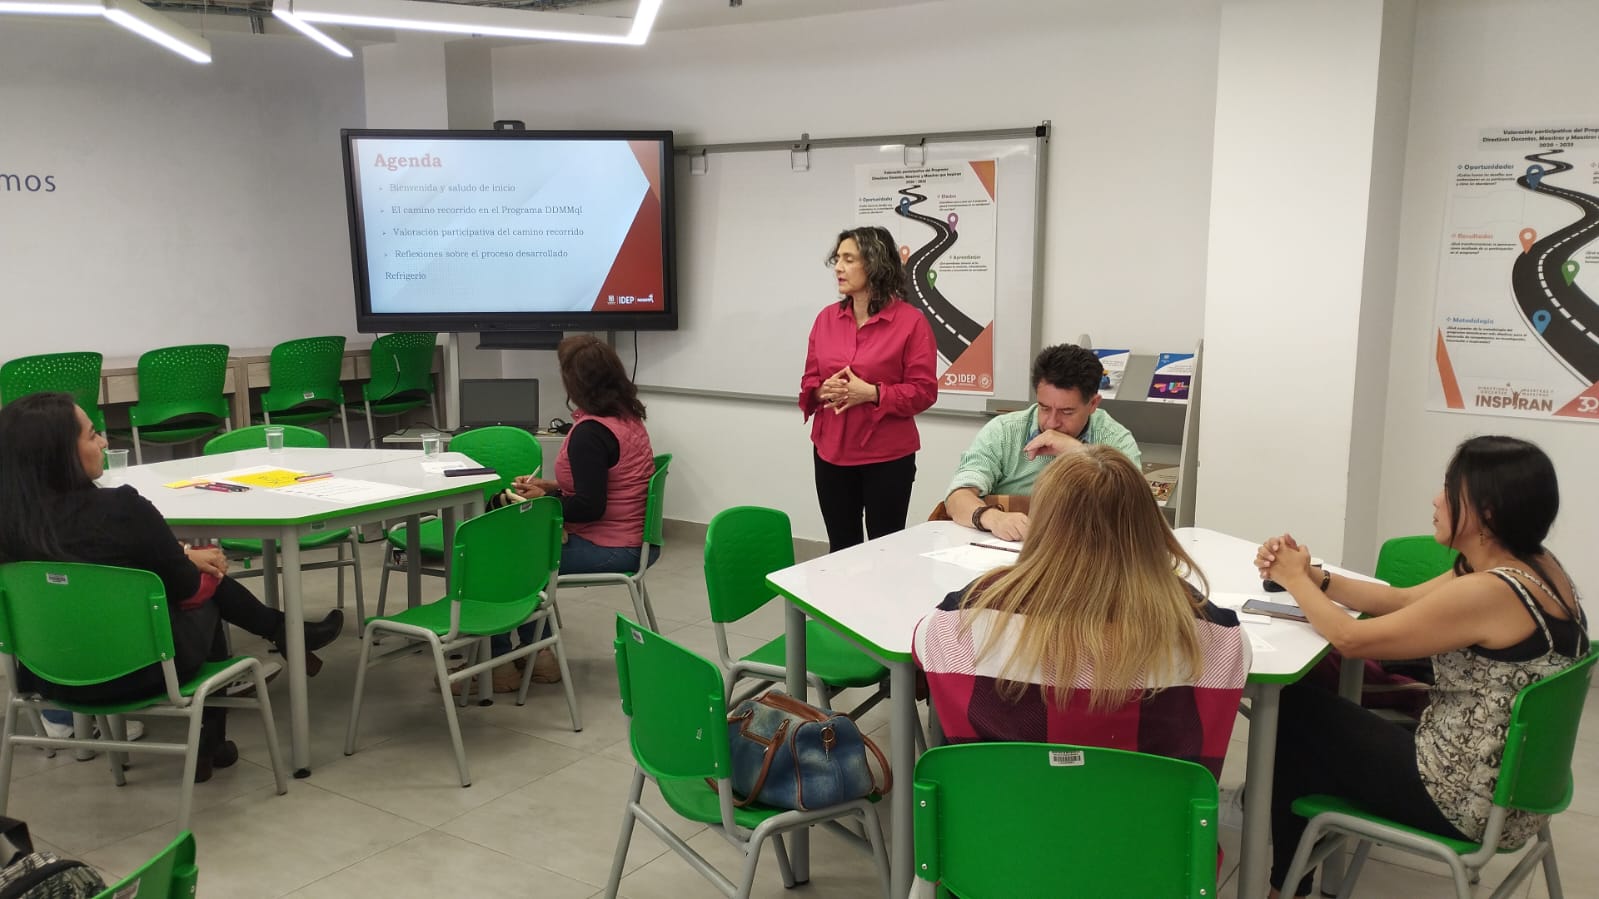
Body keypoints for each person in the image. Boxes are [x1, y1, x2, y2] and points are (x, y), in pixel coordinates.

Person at [1255, 435, 1588, 899]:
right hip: (1519, 790)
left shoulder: (1490, 592)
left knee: (1295, 712)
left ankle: (1284, 887)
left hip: (1463, 798)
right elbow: (1400, 600)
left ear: (1487, 512)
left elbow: (1351, 640)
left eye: (1450, 489)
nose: (1436, 499)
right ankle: (1295, 872)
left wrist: (1292, 579)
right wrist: (1315, 577)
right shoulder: (1536, 566)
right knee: (1319, 721)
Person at [0, 393, 343, 782]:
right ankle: (212, 740)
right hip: (141, 673)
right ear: (61, 453)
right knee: (207, 587)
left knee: (191, 575)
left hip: (46, 679)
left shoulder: (10, 525)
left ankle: (282, 631)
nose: (104, 443)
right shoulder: (122, 509)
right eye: (93, 435)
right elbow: (187, 588)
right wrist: (190, 562)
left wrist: (180, 558)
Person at [914, 446, 1249, 781]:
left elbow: (921, 645)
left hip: (995, 826)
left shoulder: (962, 622)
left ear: (1043, 522)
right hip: (1148, 828)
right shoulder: (1215, 635)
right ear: (1149, 524)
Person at [488, 334, 658, 690]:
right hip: (636, 540)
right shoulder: (627, 419)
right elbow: (602, 487)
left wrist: (543, 506)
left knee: (504, 558)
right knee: (522, 552)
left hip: (613, 546)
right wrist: (550, 488)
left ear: (575, 383)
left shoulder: (590, 433)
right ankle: (536, 655)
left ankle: (501, 666)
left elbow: (590, 506)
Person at [799, 225, 937, 553]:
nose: (838, 267)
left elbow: (924, 391)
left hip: (887, 458)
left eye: (849, 259)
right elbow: (808, 382)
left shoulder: (911, 322)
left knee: (884, 551)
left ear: (874, 264)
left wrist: (873, 393)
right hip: (831, 452)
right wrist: (822, 391)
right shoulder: (825, 319)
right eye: (837, 259)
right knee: (841, 548)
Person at [945, 343, 1140, 542]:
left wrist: (1080, 454)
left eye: (1067, 412)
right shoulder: (1004, 432)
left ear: (1093, 404)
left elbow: (1135, 511)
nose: (1051, 423)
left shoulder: (1115, 439)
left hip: (1086, 553)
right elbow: (957, 497)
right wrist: (993, 518)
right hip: (1011, 552)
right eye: (1044, 407)